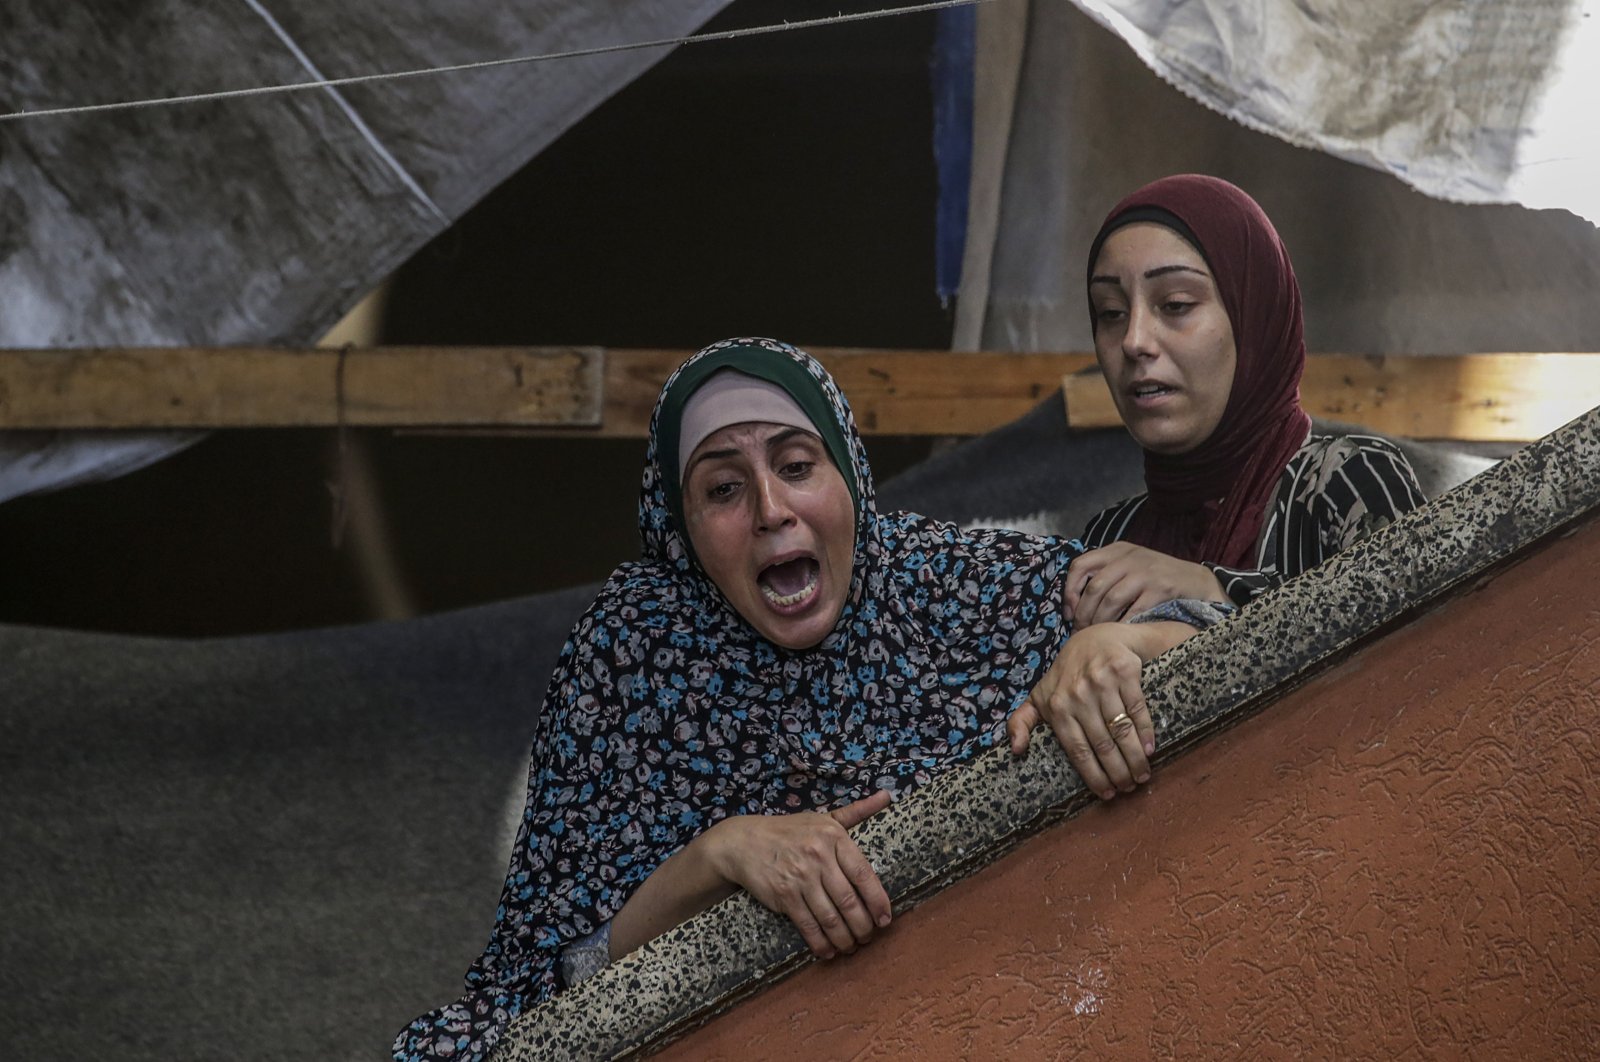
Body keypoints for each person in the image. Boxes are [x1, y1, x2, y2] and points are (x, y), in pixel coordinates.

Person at [394, 338, 1217, 1061]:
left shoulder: (942, 580)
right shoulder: (630, 656)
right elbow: (554, 985)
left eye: (796, 467)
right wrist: (717, 856)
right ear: (679, 529)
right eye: (722, 490)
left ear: (849, 475)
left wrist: (1111, 646)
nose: (771, 510)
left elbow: (1222, 638)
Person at [1063, 174, 1425, 628]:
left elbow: (1411, 655)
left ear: (1255, 317)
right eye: (1111, 313)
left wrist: (1207, 589)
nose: (1134, 341)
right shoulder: (1110, 540)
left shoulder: (1345, 484)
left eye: (1175, 304)